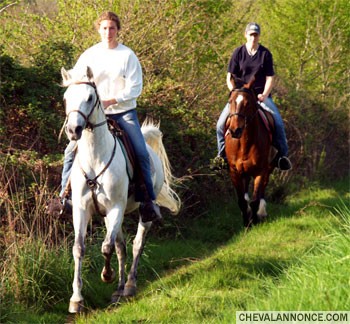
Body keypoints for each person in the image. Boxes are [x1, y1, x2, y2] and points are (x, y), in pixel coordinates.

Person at [58, 11, 161, 222]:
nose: (108, 32)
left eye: (112, 28)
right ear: (99, 30)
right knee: (70, 151)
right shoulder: (89, 55)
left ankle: (148, 202)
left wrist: (111, 100)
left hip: (122, 112)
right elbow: (76, 80)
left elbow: (135, 88)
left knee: (141, 152)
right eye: (104, 28)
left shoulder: (127, 55)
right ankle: (64, 198)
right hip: (93, 116)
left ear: (118, 30)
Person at [211, 22, 292, 171]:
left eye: (256, 35)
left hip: (260, 95)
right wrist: (235, 91)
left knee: (279, 123)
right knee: (220, 125)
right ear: (245, 35)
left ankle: (282, 156)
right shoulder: (238, 53)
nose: (253, 37)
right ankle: (221, 156)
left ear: (259, 36)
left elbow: (270, 77)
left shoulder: (265, 54)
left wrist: (265, 94)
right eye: (251, 34)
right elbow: (229, 77)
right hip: (240, 97)